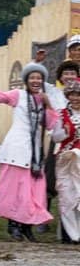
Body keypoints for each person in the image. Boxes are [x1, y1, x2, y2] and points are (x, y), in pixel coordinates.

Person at [0, 63, 58, 241]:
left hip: (35, 153)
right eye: (32, 77)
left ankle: (26, 226)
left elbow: (51, 124)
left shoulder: (43, 99)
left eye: (39, 78)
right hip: (17, 147)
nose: (36, 81)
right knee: (15, 190)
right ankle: (13, 225)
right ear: (26, 80)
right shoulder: (19, 95)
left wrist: (48, 106)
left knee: (33, 191)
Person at [50, 80, 80, 244]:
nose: (75, 98)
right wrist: (65, 132)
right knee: (67, 196)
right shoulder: (61, 114)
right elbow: (55, 137)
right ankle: (72, 235)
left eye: (78, 94)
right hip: (66, 160)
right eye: (72, 95)